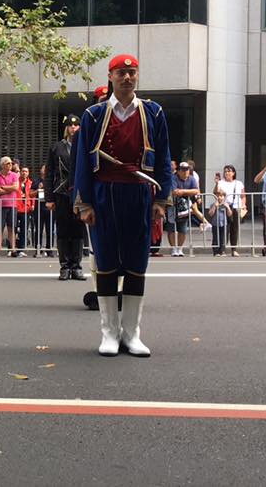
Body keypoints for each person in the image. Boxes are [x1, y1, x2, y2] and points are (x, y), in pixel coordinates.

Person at [74, 54, 171, 358]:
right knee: (105, 264)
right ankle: (109, 333)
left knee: (136, 264)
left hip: (140, 194)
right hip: (104, 193)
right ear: (111, 76)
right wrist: (85, 202)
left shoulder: (154, 113)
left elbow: (165, 158)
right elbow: (81, 164)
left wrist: (160, 198)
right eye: (121, 73)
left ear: (137, 76)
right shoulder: (93, 115)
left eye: (132, 72)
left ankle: (132, 334)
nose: (127, 77)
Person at [46, 115, 86, 280]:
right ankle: (64, 266)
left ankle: (76, 266)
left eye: (76, 126)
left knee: (77, 230)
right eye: (70, 126)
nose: (73, 128)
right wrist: (49, 198)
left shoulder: (84, 147)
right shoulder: (56, 147)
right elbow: (49, 174)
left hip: (78, 194)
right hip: (61, 193)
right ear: (66, 128)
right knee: (63, 230)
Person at [169, 162, 200, 257]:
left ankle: (180, 248)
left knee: (183, 228)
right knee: (172, 228)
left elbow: (196, 190)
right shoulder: (173, 178)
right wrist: (188, 192)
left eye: (187, 169)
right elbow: (174, 191)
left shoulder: (192, 179)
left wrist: (182, 191)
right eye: (183, 169)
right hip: (173, 205)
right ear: (178, 171)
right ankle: (174, 248)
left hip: (185, 206)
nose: (186, 171)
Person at [214, 165, 246, 257]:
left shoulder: (238, 183)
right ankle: (222, 250)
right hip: (224, 207)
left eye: (229, 171)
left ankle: (234, 249)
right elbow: (216, 193)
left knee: (234, 229)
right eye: (225, 171)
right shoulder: (221, 182)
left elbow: (243, 196)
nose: (227, 173)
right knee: (224, 229)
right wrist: (216, 183)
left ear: (233, 173)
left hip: (235, 207)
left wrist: (243, 205)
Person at [0, 156, 19, 257]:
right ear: (3, 165)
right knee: (0, 228)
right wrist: (9, 188)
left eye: (11, 163)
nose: (10, 165)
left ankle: (13, 249)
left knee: (12, 228)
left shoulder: (14, 175)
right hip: (0, 205)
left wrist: (3, 187)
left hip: (12, 204)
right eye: (8, 163)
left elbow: (16, 187)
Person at [14, 166, 36, 258]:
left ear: (28, 173)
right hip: (16, 207)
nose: (24, 173)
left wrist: (33, 204)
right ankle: (12, 248)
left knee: (24, 229)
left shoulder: (31, 183)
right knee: (13, 229)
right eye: (22, 171)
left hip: (26, 209)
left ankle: (22, 249)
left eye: (26, 171)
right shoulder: (16, 182)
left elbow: (33, 195)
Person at [208, 190, 230, 256]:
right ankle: (216, 251)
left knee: (223, 238)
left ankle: (222, 250)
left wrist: (228, 207)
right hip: (215, 224)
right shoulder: (213, 204)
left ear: (224, 197)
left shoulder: (225, 204)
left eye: (221, 196)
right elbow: (210, 214)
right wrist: (214, 206)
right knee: (215, 238)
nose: (219, 198)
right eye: (218, 196)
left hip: (224, 223)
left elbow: (229, 214)